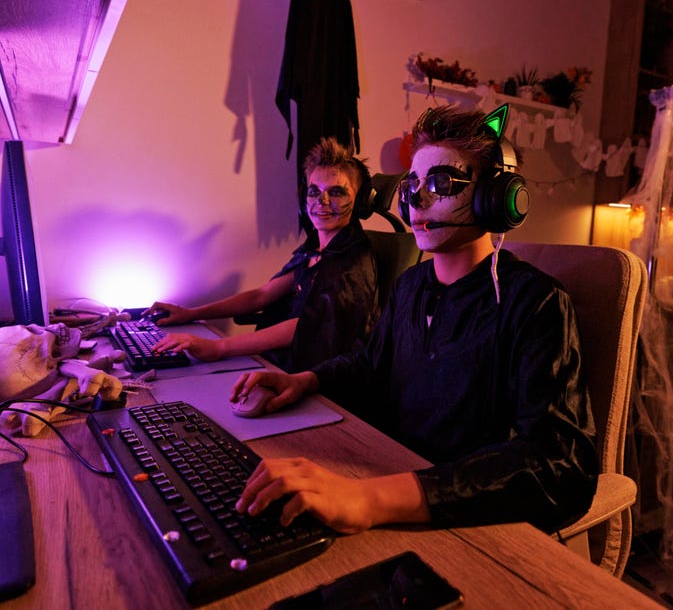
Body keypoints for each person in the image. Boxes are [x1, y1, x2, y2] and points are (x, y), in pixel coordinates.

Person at [230, 104, 598, 535]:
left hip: (462, 516)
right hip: (384, 475)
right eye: (413, 184)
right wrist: (304, 381)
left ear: (495, 198)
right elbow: (370, 365)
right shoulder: (411, 284)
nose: (416, 199)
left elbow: (562, 463)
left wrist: (371, 499)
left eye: (441, 183)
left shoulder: (536, 302)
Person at [147, 137, 379, 372]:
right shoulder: (314, 251)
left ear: (359, 201)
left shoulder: (353, 261)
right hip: (281, 364)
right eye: (314, 191)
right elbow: (261, 296)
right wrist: (190, 314)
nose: (322, 201)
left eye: (336, 192)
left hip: (311, 376)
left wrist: (219, 347)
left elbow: (305, 326)